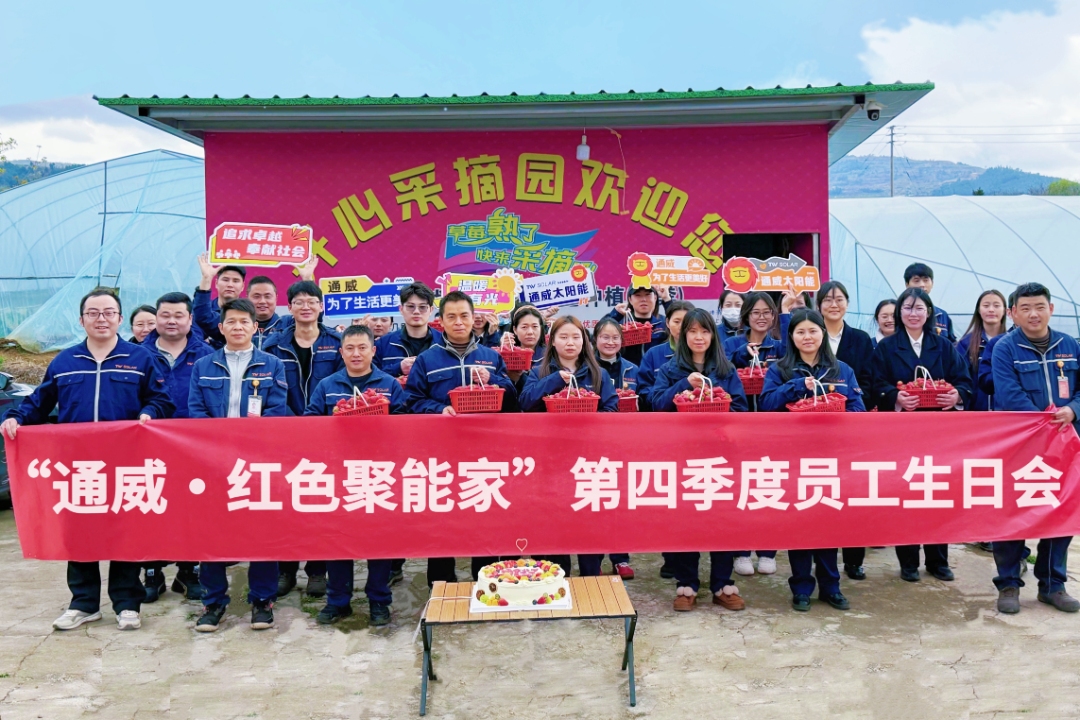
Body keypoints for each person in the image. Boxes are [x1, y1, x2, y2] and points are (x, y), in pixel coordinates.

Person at [1, 289, 174, 632]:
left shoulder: (140, 358)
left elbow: (162, 399)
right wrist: (16, 418)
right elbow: (40, 401)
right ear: (81, 320)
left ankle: (127, 603)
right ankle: (83, 603)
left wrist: (149, 412)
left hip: (125, 463)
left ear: (120, 319)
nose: (101, 319)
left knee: (125, 531)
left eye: (108, 312)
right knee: (79, 530)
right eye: (93, 313)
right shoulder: (65, 361)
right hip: (78, 466)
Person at [404, 291, 519, 585]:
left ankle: (487, 582)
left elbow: (512, 400)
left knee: (485, 517)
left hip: (484, 456)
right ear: (441, 321)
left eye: (464, 316)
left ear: (473, 318)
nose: (458, 322)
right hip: (442, 455)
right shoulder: (427, 359)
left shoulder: (491, 357)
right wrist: (438, 409)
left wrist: (494, 379)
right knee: (443, 520)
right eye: (451, 316)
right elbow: (411, 400)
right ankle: (441, 585)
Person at [188, 298, 289, 632]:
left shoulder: (272, 365)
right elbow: (196, 412)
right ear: (221, 327)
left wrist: (247, 443)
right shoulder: (203, 366)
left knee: (262, 530)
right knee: (211, 531)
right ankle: (213, 602)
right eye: (231, 321)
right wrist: (219, 445)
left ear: (255, 327)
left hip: (257, 461)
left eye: (245, 322)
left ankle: (262, 600)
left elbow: (276, 411)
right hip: (214, 461)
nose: (238, 327)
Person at [759, 309, 863, 612]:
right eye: (801, 332)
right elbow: (766, 405)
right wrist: (795, 388)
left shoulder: (841, 369)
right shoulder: (779, 369)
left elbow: (858, 408)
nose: (807, 337)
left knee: (828, 523)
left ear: (823, 334)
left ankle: (831, 586)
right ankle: (802, 586)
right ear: (792, 336)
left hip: (831, 457)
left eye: (813, 331)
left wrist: (835, 410)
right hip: (793, 457)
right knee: (800, 524)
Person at [648, 308, 748, 612]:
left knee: (723, 519)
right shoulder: (670, 369)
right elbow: (655, 405)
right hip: (683, 455)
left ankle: (722, 584)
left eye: (704, 331)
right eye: (692, 331)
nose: (698, 337)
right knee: (685, 520)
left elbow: (741, 409)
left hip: (720, 456)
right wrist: (683, 385)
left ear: (713, 335)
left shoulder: (726, 370)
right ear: (683, 335)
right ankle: (687, 584)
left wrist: (720, 409)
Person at [304, 324, 405, 626]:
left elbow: (405, 424)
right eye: (350, 348)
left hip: (378, 474)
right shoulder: (327, 385)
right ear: (341, 352)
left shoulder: (389, 385)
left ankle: (379, 600)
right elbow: (310, 423)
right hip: (338, 473)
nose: (356, 354)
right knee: (338, 538)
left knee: (379, 539)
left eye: (362, 348)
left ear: (373, 351)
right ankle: (338, 600)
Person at [990, 282, 1080, 614]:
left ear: (1051, 309)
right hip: (1021, 446)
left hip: (1065, 446)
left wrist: (1073, 410)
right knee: (1011, 512)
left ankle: (1053, 585)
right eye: (1025, 308)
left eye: (1040, 307)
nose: (1033, 314)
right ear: (1013, 313)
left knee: (1061, 512)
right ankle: (1009, 584)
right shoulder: (1004, 348)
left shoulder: (1069, 345)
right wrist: (1043, 425)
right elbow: (1009, 394)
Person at [871, 287, 972, 583]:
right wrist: (896, 397)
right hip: (901, 434)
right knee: (906, 493)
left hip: (940, 433)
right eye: (907, 308)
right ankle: (908, 561)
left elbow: (965, 380)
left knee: (938, 493)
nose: (913, 314)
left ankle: (938, 560)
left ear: (929, 313)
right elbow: (875, 383)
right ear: (899, 312)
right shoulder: (886, 347)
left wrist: (956, 395)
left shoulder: (944, 346)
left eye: (919, 308)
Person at [262, 281, 343, 597]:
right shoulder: (273, 345)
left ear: (321, 306)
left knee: (321, 502)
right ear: (290, 307)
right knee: (285, 504)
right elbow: (267, 388)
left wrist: (319, 424)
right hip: (285, 434)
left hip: (328, 435)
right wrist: (293, 425)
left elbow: (344, 385)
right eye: (299, 301)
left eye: (312, 301)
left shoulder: (336, 342)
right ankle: (285, 568)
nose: (305, 306)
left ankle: (317, 570)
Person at [520, 316, 617, 577]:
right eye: (563, 337)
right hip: (550, 462)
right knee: (553, 521)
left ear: (584, 341)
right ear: (552, 341)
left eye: (576, 337)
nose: (570, 342)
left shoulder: (598, 373)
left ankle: (590, 577)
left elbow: (612, 410)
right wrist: (555, 381)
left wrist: (587, 419)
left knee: (589, 521)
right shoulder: (539, 371)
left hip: (589, 461)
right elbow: (525, 403)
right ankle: (556, 577)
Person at [140, 292, 214, 603]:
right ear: (156, 318)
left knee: (192, 509)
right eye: (165, 315)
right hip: (148, 448)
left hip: (193, 449)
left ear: (190, 319)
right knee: (150, 508)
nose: (172, 321)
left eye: (179, 315)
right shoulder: (138, 355)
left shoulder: (207, 355)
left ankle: (188, 571)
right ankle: (152, 571)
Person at [816, 281, 876, 580]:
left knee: (853, 493)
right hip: (814, 426)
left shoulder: (860, 339)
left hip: (850, 423)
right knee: (821, 492)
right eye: (827, 300)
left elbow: (869, 379)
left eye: (839, 299)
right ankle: (822, 560)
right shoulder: (810, 335)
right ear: (818, 306)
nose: (833, 304)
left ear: (847, 303)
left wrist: (845, 402)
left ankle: (854, 559)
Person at [590, 317, 638, 579]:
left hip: (625, 442)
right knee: (596, 501)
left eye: (615, 337)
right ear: (595, 339)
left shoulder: (633, 369)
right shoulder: (588, 369)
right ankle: (594, 558)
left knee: (621, 502)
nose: (610, 342)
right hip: (594, 443)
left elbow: (646, 401)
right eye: (605, 337)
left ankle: (621, 558)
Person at [374, 282, 442, 378]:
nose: (416, 312)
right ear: (401, 309)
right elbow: (369, 377)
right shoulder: (383, 344)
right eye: (410, 306)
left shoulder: (443, 343)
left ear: (431, 310)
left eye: (422, 307)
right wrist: (398, 368)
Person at [637, 301, 694, 412]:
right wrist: (663, 396)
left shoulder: (702, 353)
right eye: (676, 322)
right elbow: (644, 391)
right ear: (667, 322)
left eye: (687, 322)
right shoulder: (653, 354)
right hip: (662, 416)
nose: (681, 326)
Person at [957, 290, 1008, 412]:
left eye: (996, 306)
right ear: (979, 310)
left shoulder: (1011, 342)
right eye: (986, 305)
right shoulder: (965, 344)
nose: (991, 310)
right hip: (976, 412)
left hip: (1007, 411)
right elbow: (960, 378)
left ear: (1005, 311)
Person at [193, 253, 247, 348]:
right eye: (225, 280)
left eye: (235, 281)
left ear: (242, 286)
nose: (230, 285)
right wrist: (206, 278)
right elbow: (202, 317)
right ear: (216, 283)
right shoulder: (202, 310)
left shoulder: (248, 313)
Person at [605, 285, 668, 366]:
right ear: (630, 299)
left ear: (655, 298)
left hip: (655, 371)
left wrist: (667, 300)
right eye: (638, 295)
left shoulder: (664, 323)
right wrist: (615, 314)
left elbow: (680, 331)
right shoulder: (620, 323)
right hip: (627, 371)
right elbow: (598, 337)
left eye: (647, 295)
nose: (643, 299)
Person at [904, 262, 955, 342]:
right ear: (907, 284)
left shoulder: (941, 315)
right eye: (916, 281)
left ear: (932, 283)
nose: (922, 285)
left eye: (926, 280)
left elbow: (952, 343)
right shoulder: (898, 312)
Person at [503, 306, 548, 389]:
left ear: (541, 328)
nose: (530, 332)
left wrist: (520, 377)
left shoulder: (549, 356)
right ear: (515, 329)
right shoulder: (505, 355)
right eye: (524, 327)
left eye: (535, 326)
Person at [247, 276, 295, 349]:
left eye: (267, 296)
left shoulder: (288, 324)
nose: (262, 301)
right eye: (256, 296)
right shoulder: (240, 327)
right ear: (247, 298)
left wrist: (307, 278)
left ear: (276, 298)